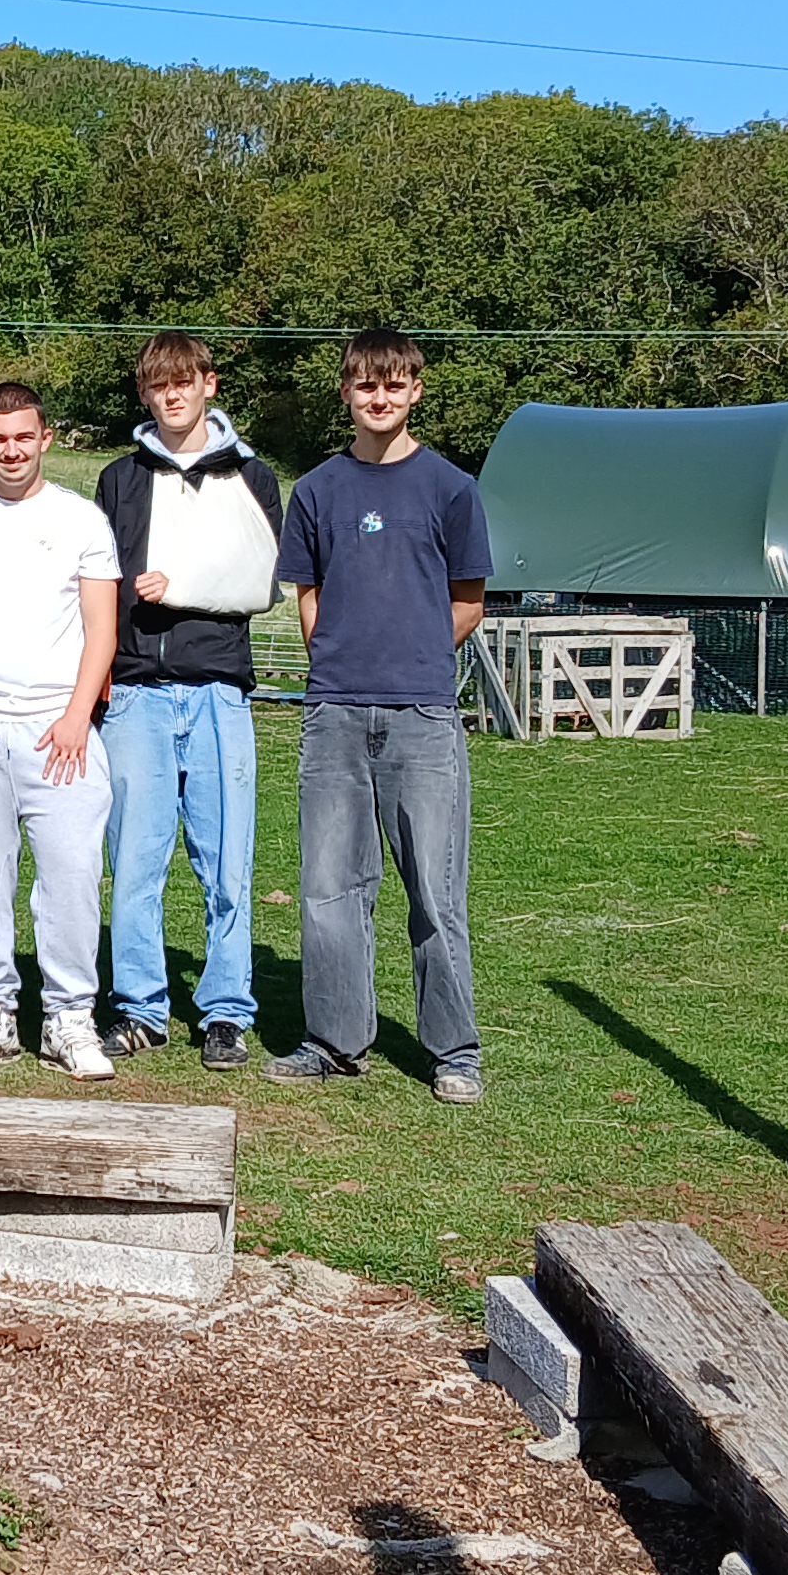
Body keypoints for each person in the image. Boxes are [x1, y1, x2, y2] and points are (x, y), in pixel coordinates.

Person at [268, 329, 493, 1101]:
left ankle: (454, 1050)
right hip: (333, 712)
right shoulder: (318, 490)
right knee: (331, 886)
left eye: (394, 386)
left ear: (415, 391)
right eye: (366, 387)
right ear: (347, 394)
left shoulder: (451, 489)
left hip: (423, 717)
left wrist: (416, 656)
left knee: (434, 889)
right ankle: (334, 1040)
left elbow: (469, 601)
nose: (380, 399)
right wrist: (339, 659)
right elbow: (308, 594)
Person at [92, 329, 284, 1070]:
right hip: (139, 694)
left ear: (209, 383)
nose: (172, 397)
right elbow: (102, 584)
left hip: (217, 692)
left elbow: (260, 581)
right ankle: (140, 1008)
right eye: (157, 386)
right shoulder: (121, 478)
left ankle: (227, 1012)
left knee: (226, 861)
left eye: (184, 382)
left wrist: (185, 588)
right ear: (145, 394)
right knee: (135, 861)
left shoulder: (252, 478)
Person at [0, 381, 122, 1080]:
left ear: (45, 439)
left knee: (69, 877)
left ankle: (69, 1017)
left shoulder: (82, 522)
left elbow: (102, 629)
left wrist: (77, 715)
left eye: (23, 437)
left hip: (57, 729)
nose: (11, 451)